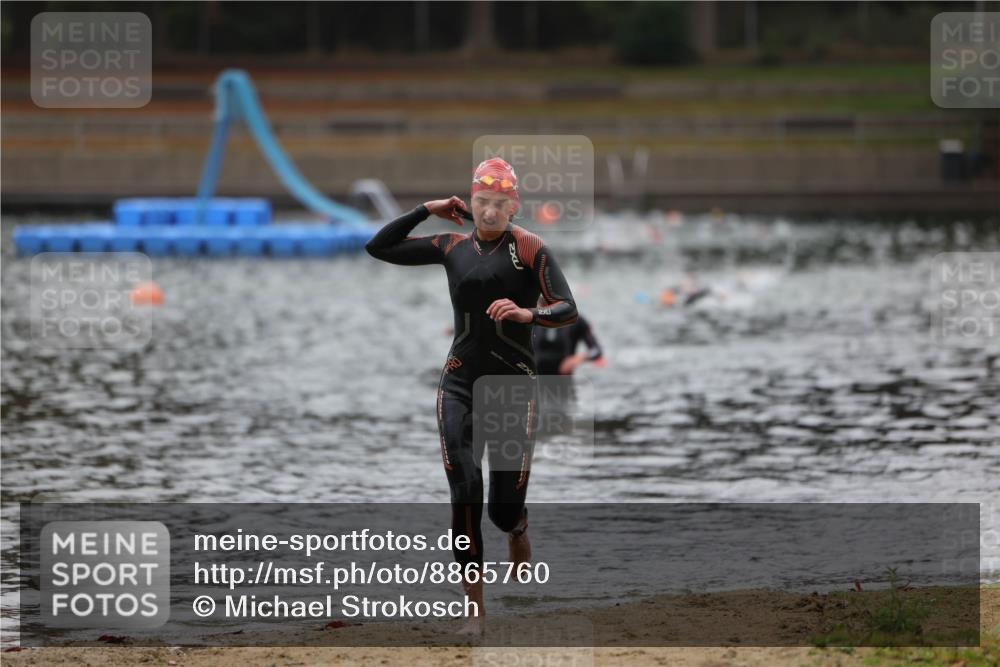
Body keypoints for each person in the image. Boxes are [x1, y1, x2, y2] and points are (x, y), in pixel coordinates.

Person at [365, 157, 578, 634]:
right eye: (481, 202)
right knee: (464, 492)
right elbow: (378, 247)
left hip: (512, 388)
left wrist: (530, 315)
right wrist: (425, 208)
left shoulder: (530, 248)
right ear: (471, 200)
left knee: (502, 509)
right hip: (459, 382)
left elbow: (568, 308)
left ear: (513, 204)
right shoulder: (450, 246)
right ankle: (474, 610)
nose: (488, 212)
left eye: (499, 204)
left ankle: (518, 528)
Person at [532, 312, 604, 376]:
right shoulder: (533, 319)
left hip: (563, 377)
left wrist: (577, 359)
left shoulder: (577, 321)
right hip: (536, 376)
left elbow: (596, 350)